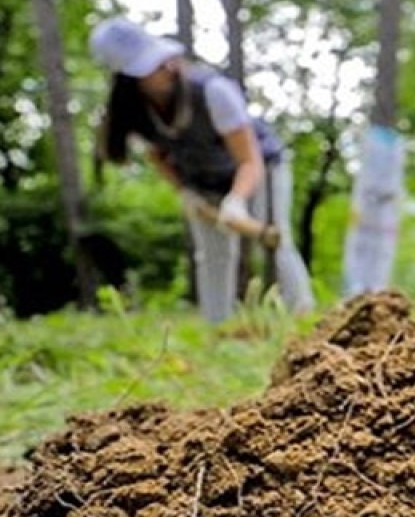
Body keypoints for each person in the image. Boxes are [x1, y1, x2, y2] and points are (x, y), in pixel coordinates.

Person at [90, 17, 315, 322]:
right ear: (129, 78)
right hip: (202, 181)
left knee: (277, 241)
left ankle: (303, 316)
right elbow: (159, 156)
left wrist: (236, 202)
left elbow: (249, 159)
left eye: (161, 60)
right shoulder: (136, 111)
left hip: (258, 169)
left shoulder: (214, 92)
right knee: (212, 255)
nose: (167, 67)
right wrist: (185, 192)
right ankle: (217, 327)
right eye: (152, 68)